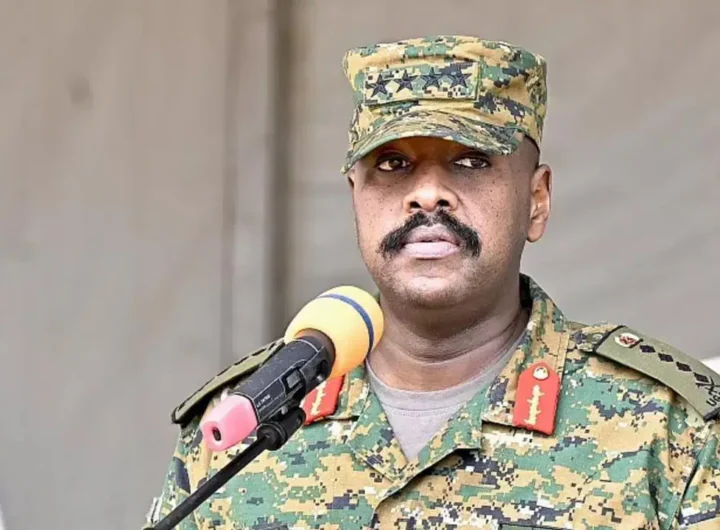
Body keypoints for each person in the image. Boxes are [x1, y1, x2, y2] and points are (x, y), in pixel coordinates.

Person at [143, 35, 720, 530]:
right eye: (392, 164)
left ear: (537, 200)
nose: (427, 194)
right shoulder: (243, 426)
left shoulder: (667, 428)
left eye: (471, 161)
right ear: (355, 199)